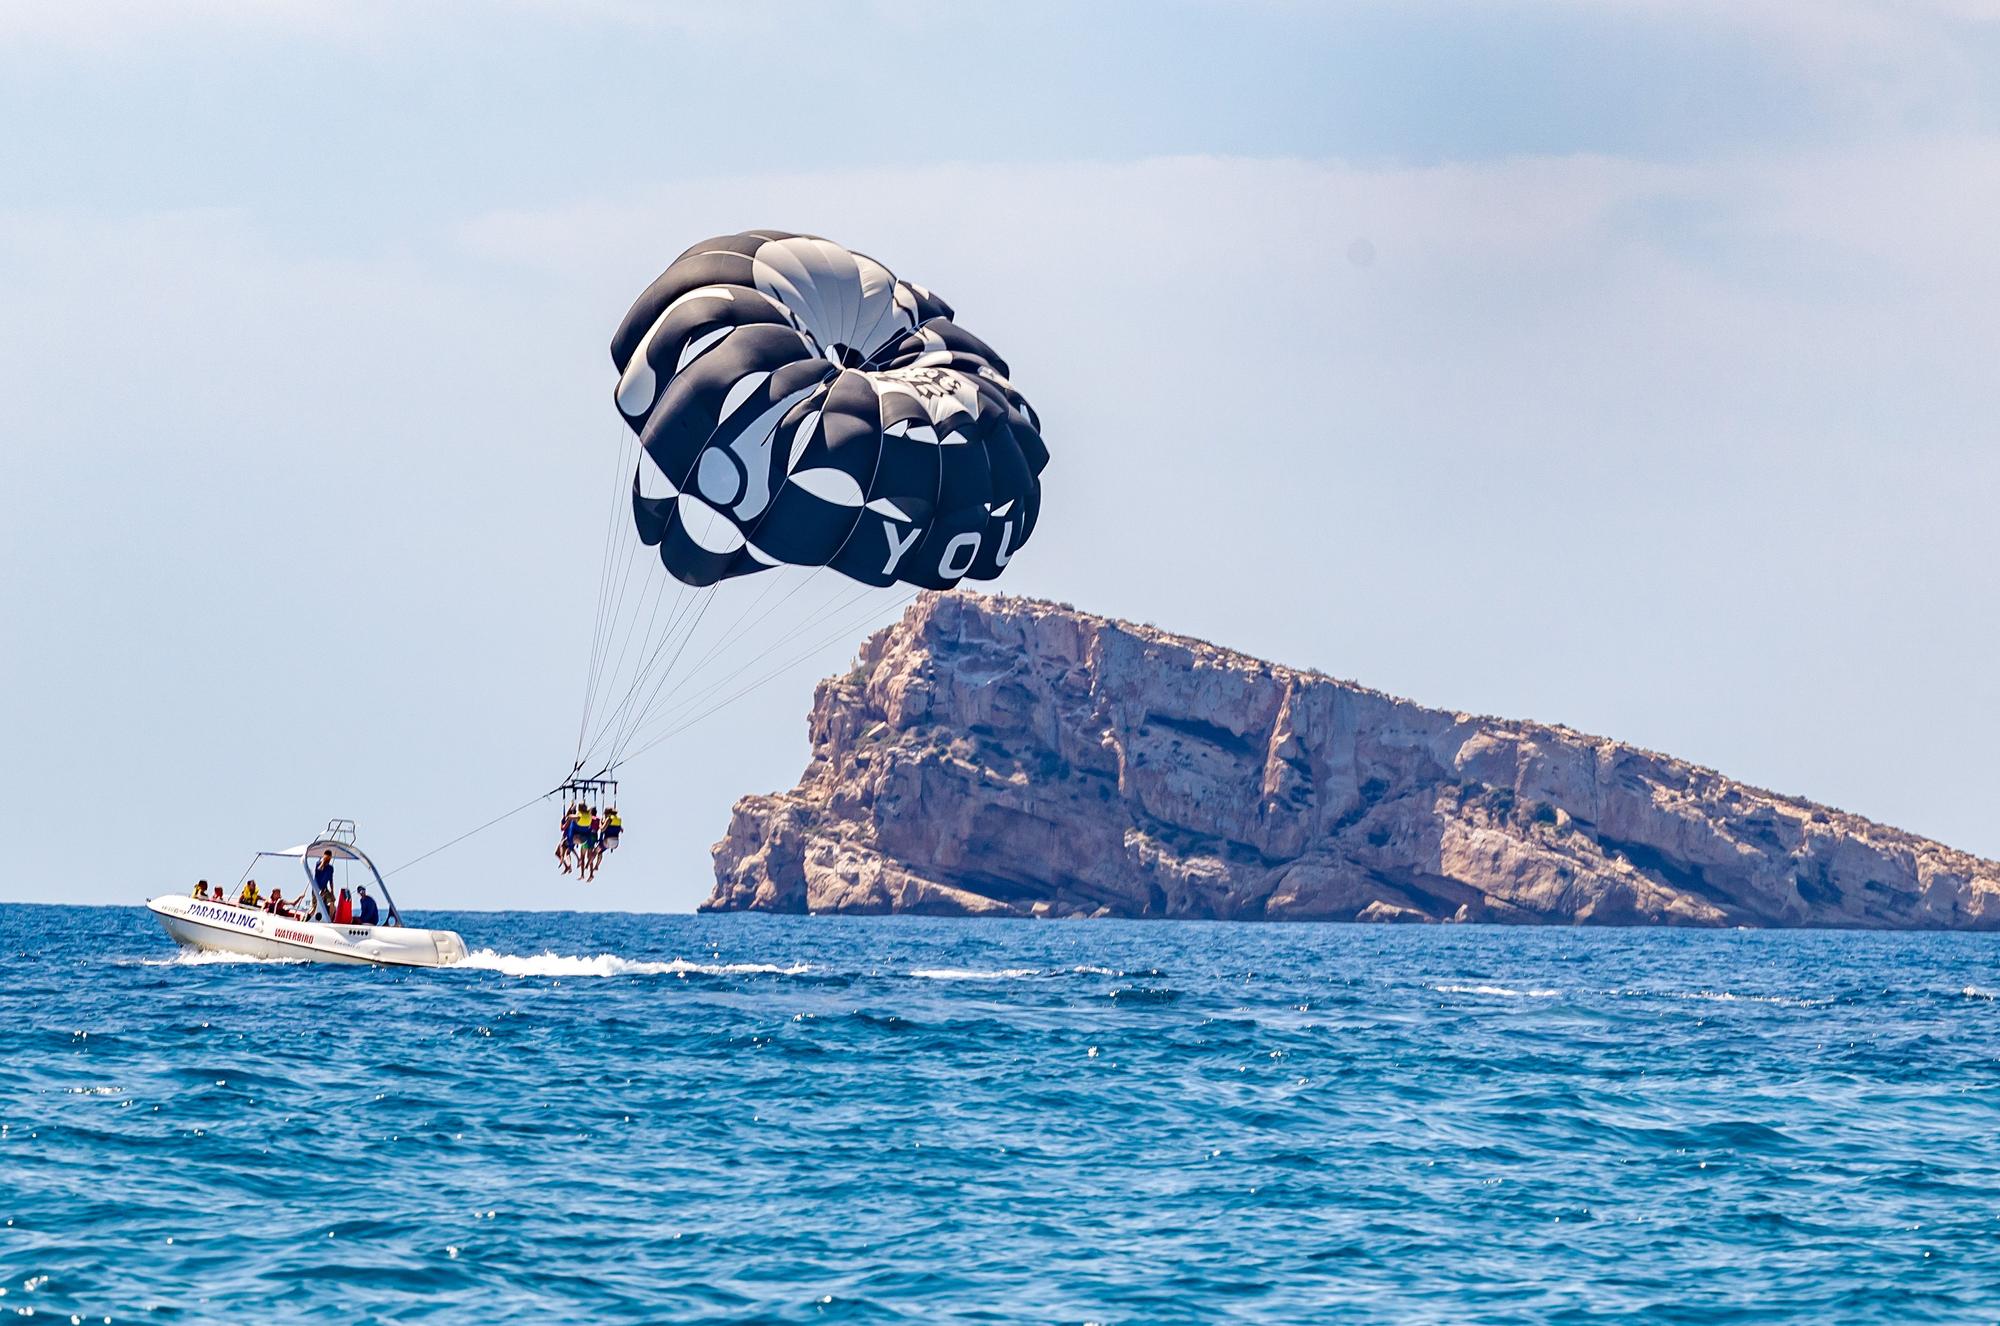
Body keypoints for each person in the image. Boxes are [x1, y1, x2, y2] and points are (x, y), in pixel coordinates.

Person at [574, 803, 598, 882]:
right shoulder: (598, 819)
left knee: (583, 856)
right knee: (590, 856)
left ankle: (582, 874)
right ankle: (591, 874)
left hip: (588, 837)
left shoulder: (590, 818)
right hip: (594, 837)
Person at [314, 850, 335, 915]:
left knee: (331, 902)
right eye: (327, 858)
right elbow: (319, 869)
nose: (328, 860)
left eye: (329, 859)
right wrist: (323, 861)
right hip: (316, 889)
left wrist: (332, 892)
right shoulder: (318, 863)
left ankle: (330, 919)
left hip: (324, 889)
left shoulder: (330, 868)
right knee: (314, 907)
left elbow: (331, 880)